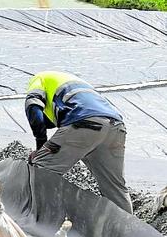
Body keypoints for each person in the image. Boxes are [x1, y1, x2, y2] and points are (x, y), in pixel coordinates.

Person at [25, 71, 132, 213]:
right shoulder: (74, 86)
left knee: (40, 170)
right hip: (116, 127)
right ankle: (128, 229)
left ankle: (36, 218)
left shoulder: (39, 79)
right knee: (115, 187)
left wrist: (41, 146)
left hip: (84, 122)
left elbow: (33, 108)